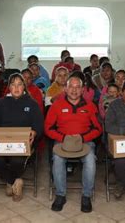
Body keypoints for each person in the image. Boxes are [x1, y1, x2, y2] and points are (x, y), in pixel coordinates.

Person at [45, 75, 102, 213]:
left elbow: (98, 128)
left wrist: (82, 138)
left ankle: (86, 196)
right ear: (65, 88)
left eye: (78, 87)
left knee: (90, 161)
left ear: (82, 90)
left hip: (85, 141)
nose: (74, 90)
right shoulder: (57, 105)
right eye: (71, 86)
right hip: (62, 141)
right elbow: (48, 128)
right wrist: (63, 138)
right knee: (57, 160)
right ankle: (60, 194)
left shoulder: (90, 105)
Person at [0, 73, 44, 202]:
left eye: (19, 84)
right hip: (2, 143)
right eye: (13, 85)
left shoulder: (32, 103)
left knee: (17, 161)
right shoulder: (1, 103)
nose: (16, 88)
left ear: (24, 86)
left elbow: (39, 125)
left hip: (24, 144)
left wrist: (34, 132)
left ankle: (9, 181)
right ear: (9, 87)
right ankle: (14, 181)